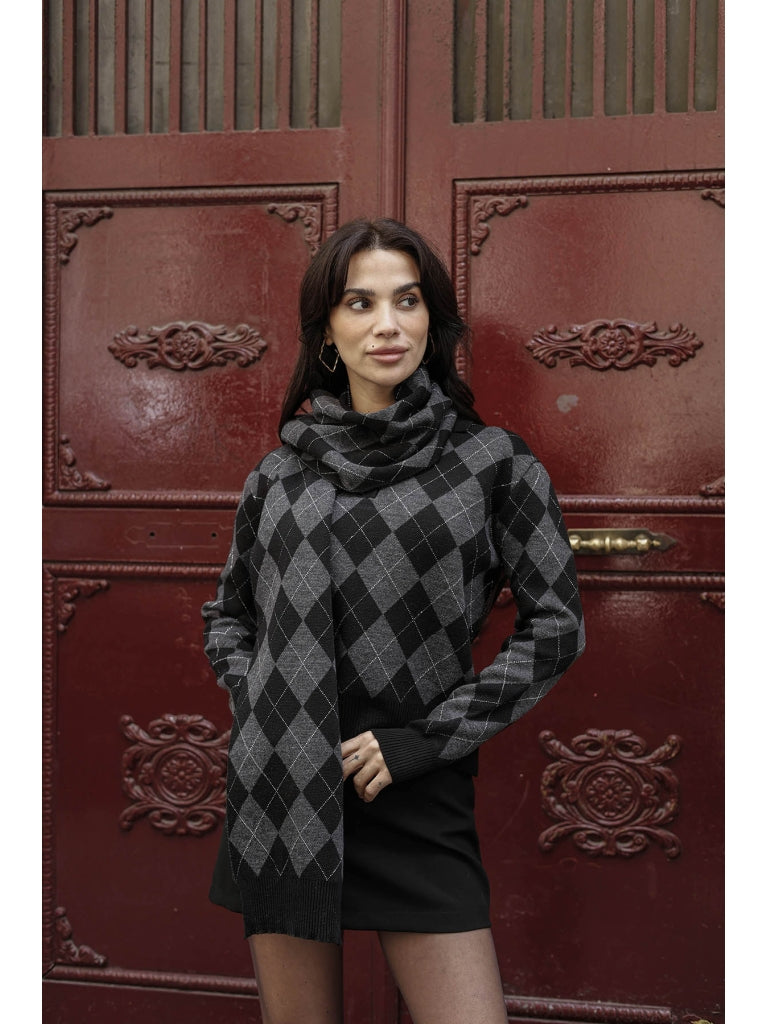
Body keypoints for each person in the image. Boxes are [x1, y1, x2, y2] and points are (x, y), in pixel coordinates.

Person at [201, 218, 585, 1024]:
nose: (388, 324)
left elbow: (556, 628)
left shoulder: (494, 463)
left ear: (431, 320)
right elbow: (229, 618)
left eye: (407, 301)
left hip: (414, 786)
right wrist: (269, 706)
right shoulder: (279, 474)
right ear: (327, 332)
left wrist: (424, 741)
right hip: (284, 789)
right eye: (361, 303)